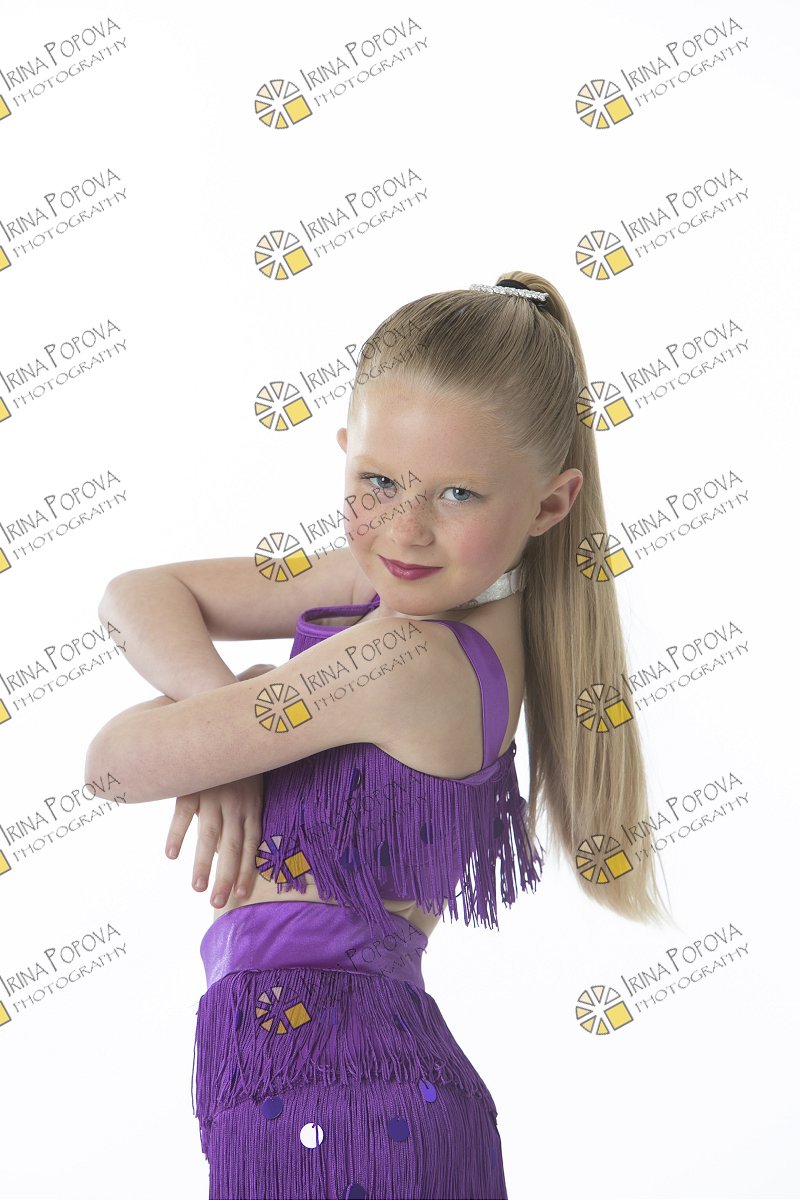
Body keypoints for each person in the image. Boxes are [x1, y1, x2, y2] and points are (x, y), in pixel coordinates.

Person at [85, 272, 672, 1199]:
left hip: (346, 1105)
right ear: (344, 453)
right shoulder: (404, 586)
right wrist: (225, 718)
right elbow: (136, 593)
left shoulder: (404, 658)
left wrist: (229, 731)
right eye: (379, 482)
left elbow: (112, 765)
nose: (405, 526)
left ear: (549, 505)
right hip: (316, 1088)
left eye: (458, 494)